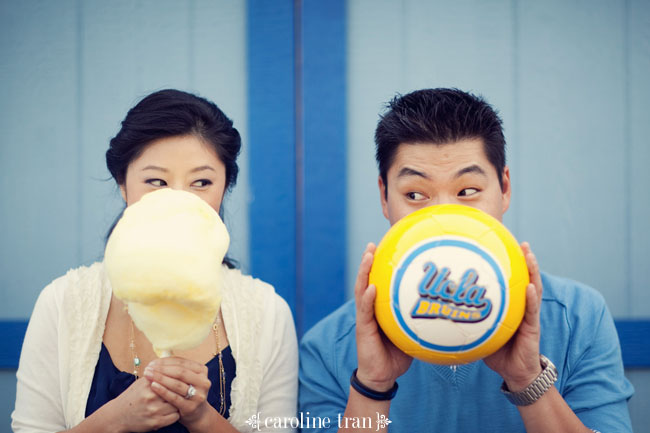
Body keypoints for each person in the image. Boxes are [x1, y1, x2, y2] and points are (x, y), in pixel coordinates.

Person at [299, 88, 634, 432]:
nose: (444, 217)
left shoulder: (579, 318)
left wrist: (527, 380)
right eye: (415, 195)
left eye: (468, 192)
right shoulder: (329, 347)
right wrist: (372, 385)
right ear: (385, 198)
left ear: (504, 188)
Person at [13, 89, 298, 433]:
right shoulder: (62, 303)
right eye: (156, 181)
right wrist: (116, 420)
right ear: (123, 183)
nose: (178, 201)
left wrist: (201, 418)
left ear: (225, 187)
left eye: (201, 182)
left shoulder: (267, 313)